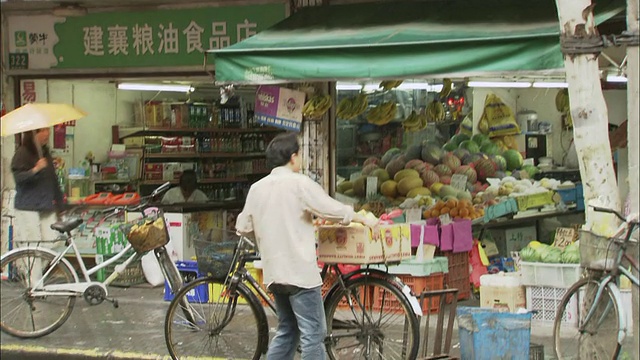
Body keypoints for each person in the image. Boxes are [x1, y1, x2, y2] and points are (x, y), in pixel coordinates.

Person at [235, 132, 378, 360]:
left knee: (288, 330)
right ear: (293, 157)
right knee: (313, 334)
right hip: (300, 273)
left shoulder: (257, 189)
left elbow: (242, 226)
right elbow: (329, 208)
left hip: (274, 273)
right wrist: (362, 218)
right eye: (299, 154)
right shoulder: (299, 183)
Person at [11, 127, 64, 243]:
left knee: (51, 244)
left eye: (47, 130)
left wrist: (61, 205)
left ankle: (48, 262)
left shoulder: (45, 153)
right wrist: (35, 169)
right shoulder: (22, 153)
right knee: (33, 245)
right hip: (28, 207)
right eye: (42, 131)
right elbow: (18, 178)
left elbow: (53, 180)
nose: (47, 134)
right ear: (32, 134)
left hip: (46, 206)